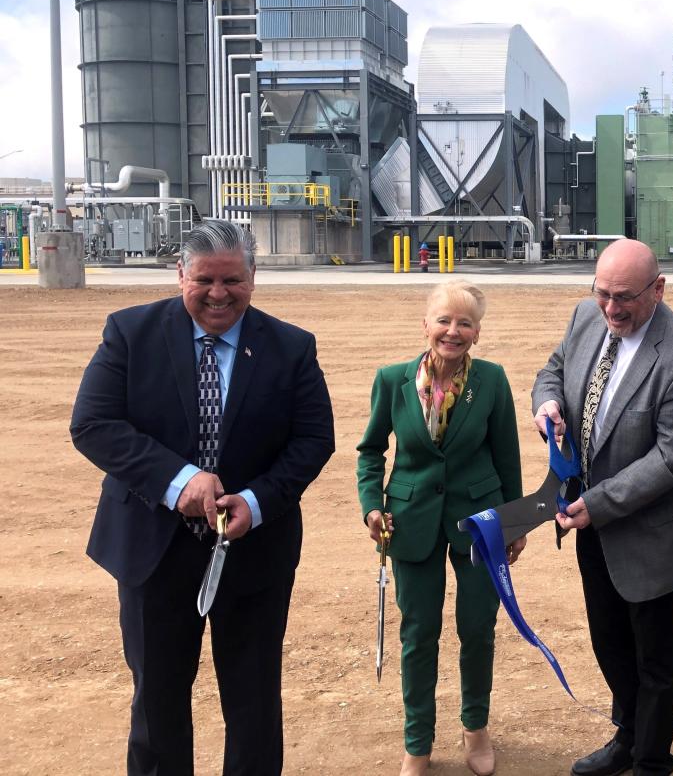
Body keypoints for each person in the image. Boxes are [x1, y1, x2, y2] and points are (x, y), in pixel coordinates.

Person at [70, 219, 335, 776]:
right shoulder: (129, 333)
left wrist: (258, 501)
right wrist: (178, 480)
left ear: (254, 277)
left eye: (233, 280)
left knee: (254, 701)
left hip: (254, 553)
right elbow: (93, 424)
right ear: (180, 274)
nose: (219, 294)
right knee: (158, 700)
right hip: (152, 552)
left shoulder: (291, 347)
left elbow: (314, 440)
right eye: (205, 281)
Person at [532, 238, 673, 776]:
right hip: (593, 523)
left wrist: (600, 502)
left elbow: (672, 458)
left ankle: (652, 761)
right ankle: (627, 737)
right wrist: (546, 403)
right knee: (609, 640)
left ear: (658, 289)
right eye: (603, 293)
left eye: (625, 298)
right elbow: (553, 370)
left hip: (651, 531)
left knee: (654, 655)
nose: (611, 308)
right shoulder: (587, 318)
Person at [357, 280, 525, 776]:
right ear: (425, 324)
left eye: (465, 323)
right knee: (419, 632)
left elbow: (506, 456)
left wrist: (513, 524)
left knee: (477, 627)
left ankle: (476, 728)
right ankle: (418, 742)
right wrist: (371, 506)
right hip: (410, 523)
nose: (453, 331)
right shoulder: (392, 380)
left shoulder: (491, 381)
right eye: (444, 320)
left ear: (477, 332)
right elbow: (370, 453)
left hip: (478, 523)